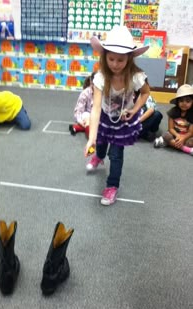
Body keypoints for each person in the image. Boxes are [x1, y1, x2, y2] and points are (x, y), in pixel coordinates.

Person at [84, 25, 150, 206]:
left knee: (116, 154)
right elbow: (96, 107)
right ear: (104, 56)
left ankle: (112, 186)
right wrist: (91, 137)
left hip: (123, 121)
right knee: (100, 142)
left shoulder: (136, 77)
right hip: (105, 116)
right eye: (111, 58)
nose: (115, 64)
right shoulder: (101, 77)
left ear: (129, 59)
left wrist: (134, 110)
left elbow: (145, 93)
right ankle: (98, 156)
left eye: (120, 60)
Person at [154, 84, 193, 155]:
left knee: (191, 142)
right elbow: (171, 128)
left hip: (186, 136)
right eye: (181, 101)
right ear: (177, 102)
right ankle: (187, 150)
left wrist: (183, 138)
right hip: (174, 134)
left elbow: (190, 132)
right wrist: (178, 136)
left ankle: (167, 143)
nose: (184, 104)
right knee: (166, 135)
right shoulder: (173, 112)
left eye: (188, 101)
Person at [69, 72, 96, 138]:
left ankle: (76, 127)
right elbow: (78, 111)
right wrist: (82, 123)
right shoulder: (85, 93)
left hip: (99, 117)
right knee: (87, 118)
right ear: (91, 83)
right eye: (95, 85)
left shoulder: (104, 92)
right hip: (87, 116)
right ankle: (91, 141)